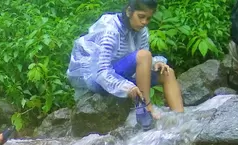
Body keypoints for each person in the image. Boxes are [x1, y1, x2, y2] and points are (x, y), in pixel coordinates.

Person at [67, 0, 183, 131]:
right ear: (129, 12)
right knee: (144, 55)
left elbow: (143, 60)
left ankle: (180, 122)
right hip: (97, 80)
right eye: (141, 16)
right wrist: (125, 87)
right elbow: (100, 71)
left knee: (167, 73)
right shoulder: (110, 30)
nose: (145, 22)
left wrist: (157, 63)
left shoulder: (142, 30)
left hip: (122, 74)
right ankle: (146, 107)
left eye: (148, 18)